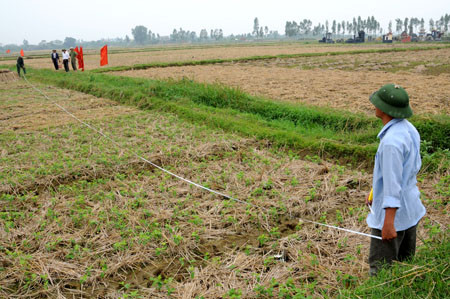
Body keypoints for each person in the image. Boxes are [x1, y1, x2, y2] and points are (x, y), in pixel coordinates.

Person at [366, 83, 426, 276]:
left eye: (377, 102)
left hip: (394, 218)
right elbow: (403, 172)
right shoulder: (408, 129)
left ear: (385, 110)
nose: (374, 105)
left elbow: (392, 187)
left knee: (381, 272)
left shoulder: (391, 143)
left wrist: (388, 223)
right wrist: (375, 191)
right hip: (410, 210)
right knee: (405, 267)